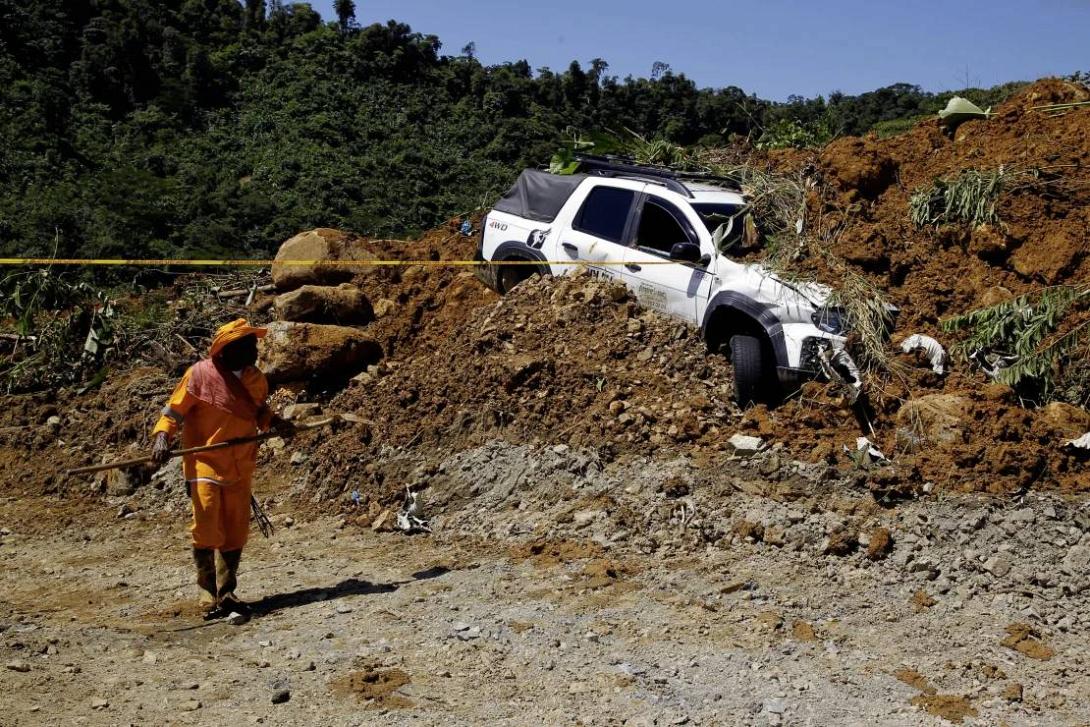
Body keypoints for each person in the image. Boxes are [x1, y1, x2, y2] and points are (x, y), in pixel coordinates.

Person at [150, 319, 289, 619]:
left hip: (240, 461)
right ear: (228, 349)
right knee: (207, 523)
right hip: (205, 461)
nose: (255, 349)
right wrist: (162, 437)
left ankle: (226, 592)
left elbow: (259, 412)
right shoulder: (199, 375)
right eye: (248, 344)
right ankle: (206, 591)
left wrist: (277, 424)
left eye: (254, 343)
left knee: (236, 527)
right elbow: (173, 412)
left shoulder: (256, 379)